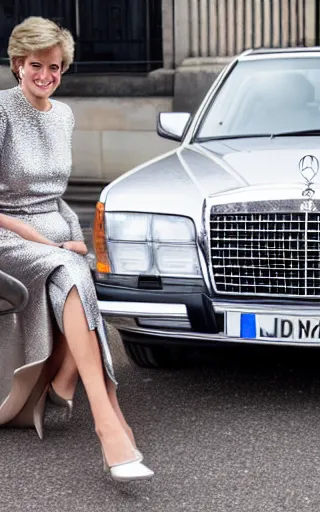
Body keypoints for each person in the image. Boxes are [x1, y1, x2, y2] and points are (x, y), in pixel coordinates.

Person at [0, 16, 154, 482]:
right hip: (9, 236)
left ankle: (66, 382)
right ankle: (110, 424)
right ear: (16, 65)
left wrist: (76, 235)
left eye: (56, 67)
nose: (46, 76)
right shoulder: (2, 110)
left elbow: (56, 194)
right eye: (36, 66)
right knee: (69, 268)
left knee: (82, 264)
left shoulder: (63, 114)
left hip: (55, 233)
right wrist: (41, 240)